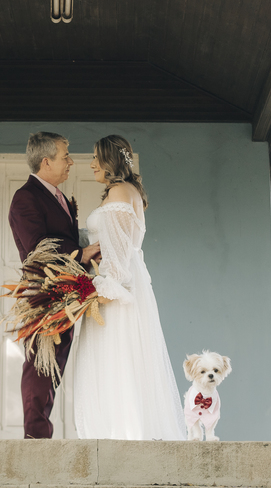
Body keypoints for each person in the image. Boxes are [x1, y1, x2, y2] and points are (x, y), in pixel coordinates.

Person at [72, 134, 186, 440]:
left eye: (96, 158)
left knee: (115, 361)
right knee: (123, 362)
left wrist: (103, 292)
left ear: (110, 161)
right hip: (123, 282)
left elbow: (120, 256)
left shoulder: (120, 191)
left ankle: (120, 436)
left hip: (116, 290)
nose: (91, 164)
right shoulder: (128, 191)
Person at [8, 131, 101, 439]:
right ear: (46, 161)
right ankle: (35, 438)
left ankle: (41, 435)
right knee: (40, 365)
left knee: (54, 366)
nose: (71, 162)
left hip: (65, 293)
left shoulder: (57, 196)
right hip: (43, 294)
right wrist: (81, 253)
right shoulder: (26, 197)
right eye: (65, 156)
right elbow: (38, 247)